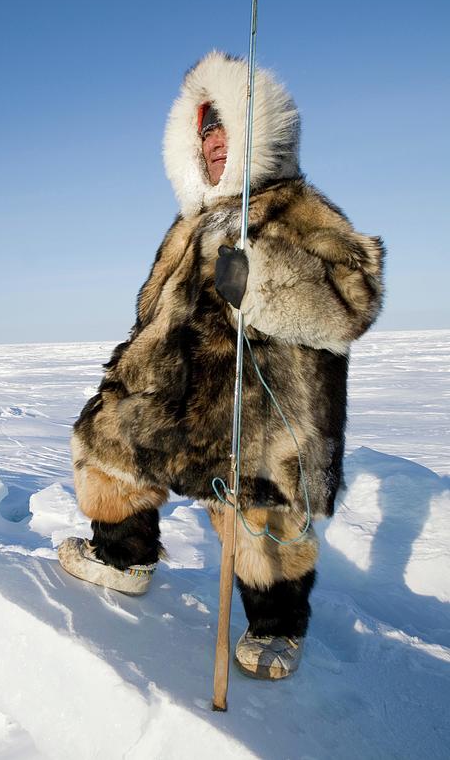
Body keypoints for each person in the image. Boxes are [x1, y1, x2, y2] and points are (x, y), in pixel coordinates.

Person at [58, 50, 384, 680]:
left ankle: (277, 627)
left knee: (262, 520)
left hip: (264, 410)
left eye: (222, 128)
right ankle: (124, 559)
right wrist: (128, 377)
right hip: (177, 396)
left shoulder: (298, 209)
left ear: (256, 134)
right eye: (201, 131)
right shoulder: (188, 226)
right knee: (109, 443)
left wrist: (262, 280)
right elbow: (155, 312)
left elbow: (354, 297)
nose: (210, 143)